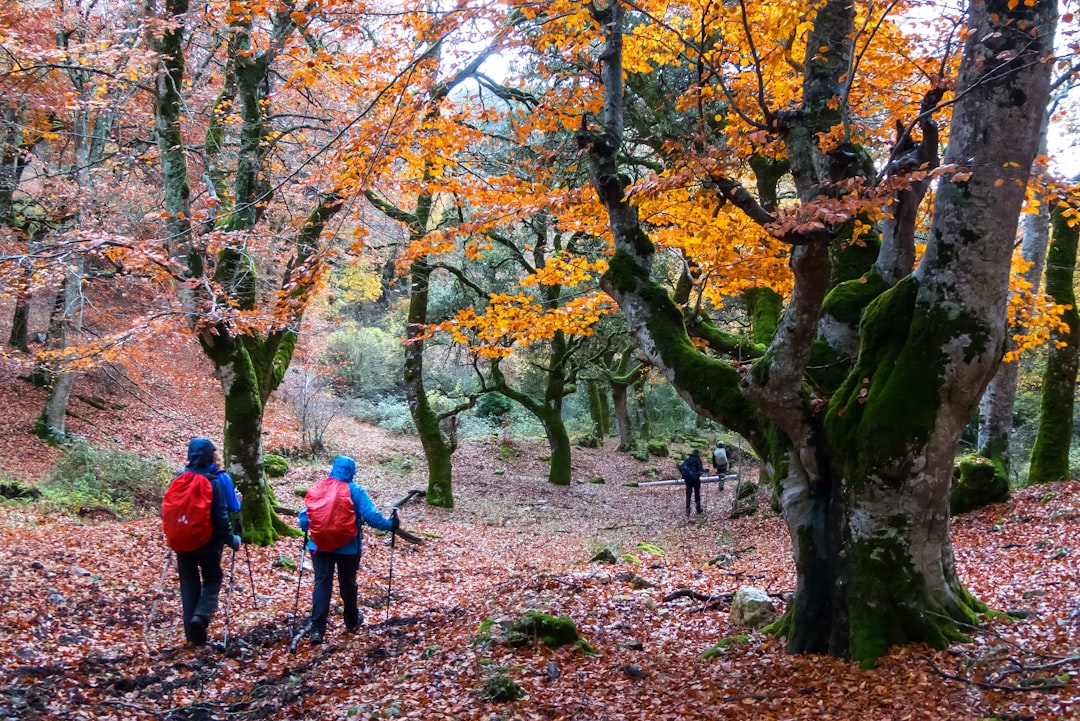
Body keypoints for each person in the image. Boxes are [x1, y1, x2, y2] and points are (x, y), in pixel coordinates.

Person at [298, 455, 397, 644]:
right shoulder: (356, 491)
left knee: (322, 583)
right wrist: (391, 525)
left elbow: (304, 520)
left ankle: (317, 629)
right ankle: (351, 621)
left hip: (319, 546)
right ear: (352, 472)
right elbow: (372, 517)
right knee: (348, 583)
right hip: (349, 548)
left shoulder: (319, 488)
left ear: (333, 468)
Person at [169, 438, 241, 647]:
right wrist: (232, 540)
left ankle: (193, 638)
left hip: (181, 542)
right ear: (210, 455)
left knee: (188, 586)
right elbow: (220, 517)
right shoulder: (213, 481)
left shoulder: (178, 478)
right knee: (213, 578)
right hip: (207, 543)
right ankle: (201, 617)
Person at [681, 448, 705, 516]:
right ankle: (698, 509)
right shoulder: (698, 460)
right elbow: (700, 471)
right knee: (697, 494)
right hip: (696, 480)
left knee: (688, 494)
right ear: (698, 453)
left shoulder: (687, 460)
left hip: (688, 480)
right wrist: (705, 471)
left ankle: (687, 510)